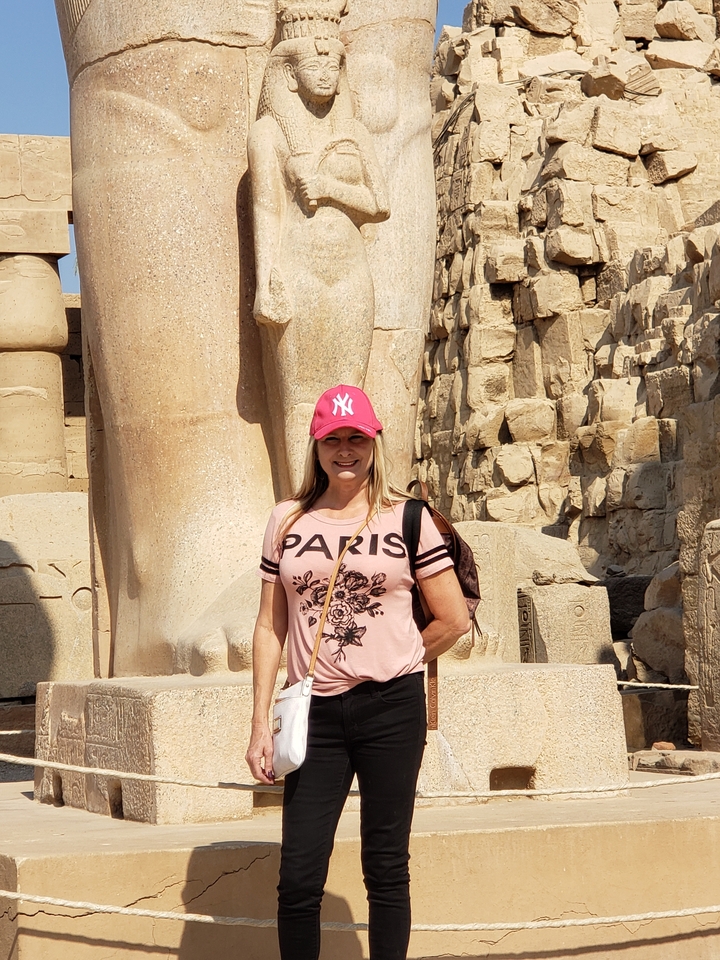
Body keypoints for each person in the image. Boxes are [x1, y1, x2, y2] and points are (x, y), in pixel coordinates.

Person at [246, 384, 470, 960]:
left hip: (391, 708)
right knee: (298, 875)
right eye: (333, 439)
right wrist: (257, 724)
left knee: (387, 866)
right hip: (313, 710)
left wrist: (400, 657)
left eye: (356, 438)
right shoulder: (286, 521)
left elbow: (453, 617)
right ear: (316, 446)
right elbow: (270, 628)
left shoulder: (408, 517)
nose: (345, 450)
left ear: (373, 442)